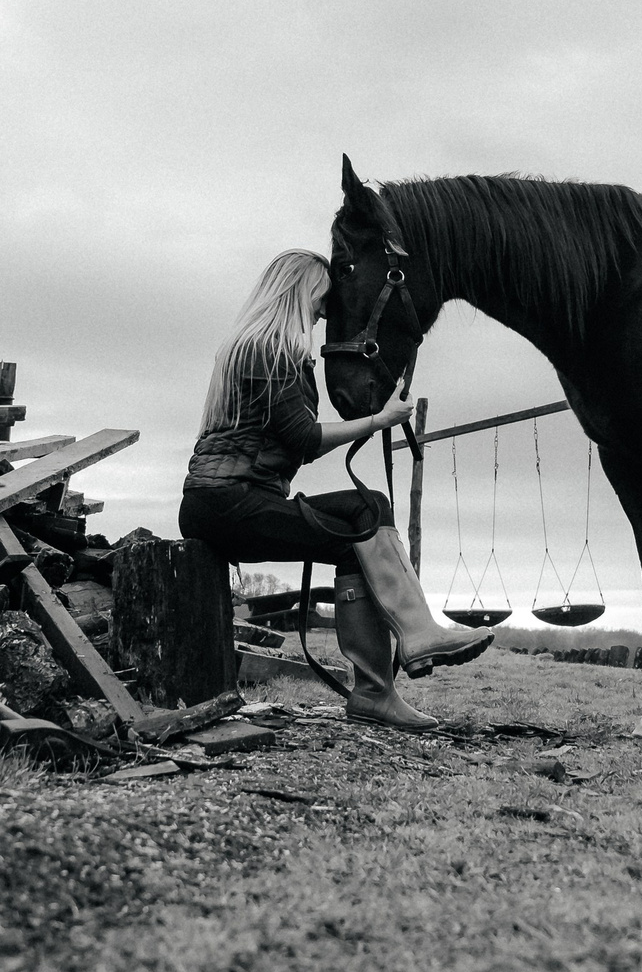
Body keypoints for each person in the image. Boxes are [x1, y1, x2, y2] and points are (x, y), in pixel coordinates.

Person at [180, 249, 489, 729]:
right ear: (300, 290)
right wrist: (379, 421)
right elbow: (304, 439)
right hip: (228, 502)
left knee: (362, 522)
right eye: (323, 299)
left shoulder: (255, 346)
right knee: (366, 511)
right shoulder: (268, 348)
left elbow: (295, 442)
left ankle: (383, 682)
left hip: (228, 501)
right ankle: (401, 657)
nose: (326, 311)